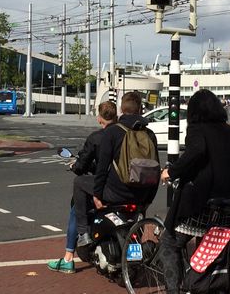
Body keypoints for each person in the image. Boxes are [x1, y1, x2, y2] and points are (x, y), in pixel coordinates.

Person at [154, 89, 230, 294]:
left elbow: (196, 153)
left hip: (203, 205)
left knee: (170, 241)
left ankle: (172, 293)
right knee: (218, 247)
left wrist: (171, 171)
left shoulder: (197, 130)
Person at [48, 101, 117, 274]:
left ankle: (69, 257)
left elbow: (82, 165)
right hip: (124, 186)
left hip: (105, 185)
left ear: (99, 118)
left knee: (76, 208)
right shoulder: (125, 134)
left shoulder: (96, 138)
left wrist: (75, 166)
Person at [92, 90, 160, 216]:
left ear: (121, 109)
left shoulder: (112, 132)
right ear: (140, 109)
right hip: (143, 194)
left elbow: (102, 167)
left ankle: (83, 231)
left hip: (117, 193)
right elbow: (156, 170)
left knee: (79, 183)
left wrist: (97, 195)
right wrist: (148, 199)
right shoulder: (149, 134)